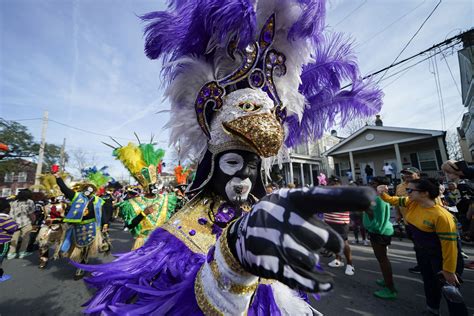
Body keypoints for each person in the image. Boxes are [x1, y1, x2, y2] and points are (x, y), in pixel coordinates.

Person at [78, 0, 382, 313]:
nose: (243, 180)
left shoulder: (265, 216)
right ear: (212, 166)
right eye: (233, 164)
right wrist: (231, 262)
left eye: (252, 168)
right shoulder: (179, 231)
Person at [378, 179, 468, 315]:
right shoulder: (412, 203)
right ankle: (432, 310)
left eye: (410, 190)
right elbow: (392, 200)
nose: (407, 193)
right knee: (429, 283)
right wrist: (382, 192)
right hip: (424, 254)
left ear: (425, 193)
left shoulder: (442, 216)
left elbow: (450, 246)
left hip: (443, 258)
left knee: (451, 292)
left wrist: (449, 270)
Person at [53, 170, 109, 280]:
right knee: (74, 247)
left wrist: (105, 223)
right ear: (84, 188)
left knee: (86, 248)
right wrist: (58, 177)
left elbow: (103, 213)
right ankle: (76, 259)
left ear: (94, 190)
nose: (89, 190)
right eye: (87, 188)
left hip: (92, 227)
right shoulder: (76, 196)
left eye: (91, 188)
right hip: (77, 227)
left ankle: (82, 265)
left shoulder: (99, 201)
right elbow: (64, 189)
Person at [364, 177, 396, 299]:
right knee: (382, 259)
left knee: (383, 260)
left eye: (374, 183)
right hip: (377, 231)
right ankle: (386, 280)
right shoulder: (379, 198)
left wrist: (366, 208)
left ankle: (390, 288)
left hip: (379, 232)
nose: (370, 185)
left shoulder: (380, 200)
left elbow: (379, 220)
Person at [324, 177, 355, 276]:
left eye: (335, 183)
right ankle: (338, 260)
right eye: (330, 183)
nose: (332, 185)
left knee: (344, 243)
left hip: (341, 222)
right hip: (329, 221)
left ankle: (350, 265)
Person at [7, 189, 35, 259]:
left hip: (14, 222)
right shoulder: (29, 202)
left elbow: (11, 213)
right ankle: (22, 253)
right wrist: (33, 221)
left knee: (14, 238)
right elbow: (31, 213)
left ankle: (11, 253)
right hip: (26, 222)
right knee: (25, 238)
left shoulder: (14, 202)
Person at [0, 198, 18, 282]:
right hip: (3, 243)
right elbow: (13, 228)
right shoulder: (5, 218)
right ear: (6, 209)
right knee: (0, 258)